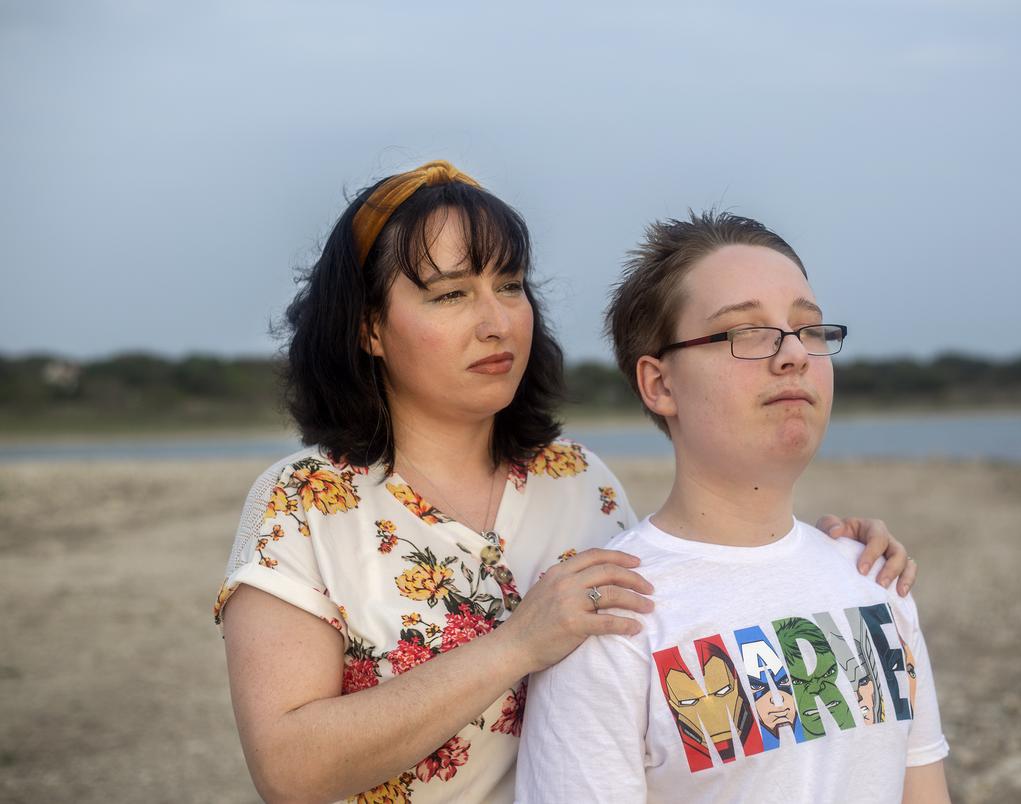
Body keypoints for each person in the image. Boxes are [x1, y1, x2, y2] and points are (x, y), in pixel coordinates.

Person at [214, 162, 919, 803]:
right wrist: (515, 646)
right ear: (370, 328)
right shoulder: (305, 503)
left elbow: (679, 605)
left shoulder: (579, 480)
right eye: (452, 294)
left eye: (511, 286)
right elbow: (288, 768)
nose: (496, 322)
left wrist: (824, 563)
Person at [516, 211, 951, 802]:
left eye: (809, 329)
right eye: (745, 333)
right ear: (660, 384)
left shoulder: (875, 580)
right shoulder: (610, 617)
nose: (793, 355)